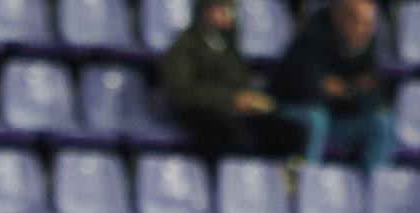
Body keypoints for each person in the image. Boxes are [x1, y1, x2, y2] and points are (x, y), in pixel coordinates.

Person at [157, 0, 303, 158]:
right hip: (200, 112)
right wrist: (230, 99)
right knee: (234, 136)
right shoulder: (183, 46)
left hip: (233, 111)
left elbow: (241, 80)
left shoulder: (229, 45)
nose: (228, 15)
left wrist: (251, 99)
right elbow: (183, 93)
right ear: (206, 11)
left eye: (230, 10)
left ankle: (278, 177)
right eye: (223, 9)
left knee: (289, 132)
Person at [274, 0, 396, 171]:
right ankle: (307, 184)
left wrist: (344, 91)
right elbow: (307, 91)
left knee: (382, 123)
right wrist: (353, 91)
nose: (363, 29)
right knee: (316, 118)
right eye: (356, 21)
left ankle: (373, 191)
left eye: (368, 24)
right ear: (338, 17)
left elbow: (375, 98)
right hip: (292, 113)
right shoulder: (311, 38)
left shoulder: (368, 48)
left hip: (338, 118)